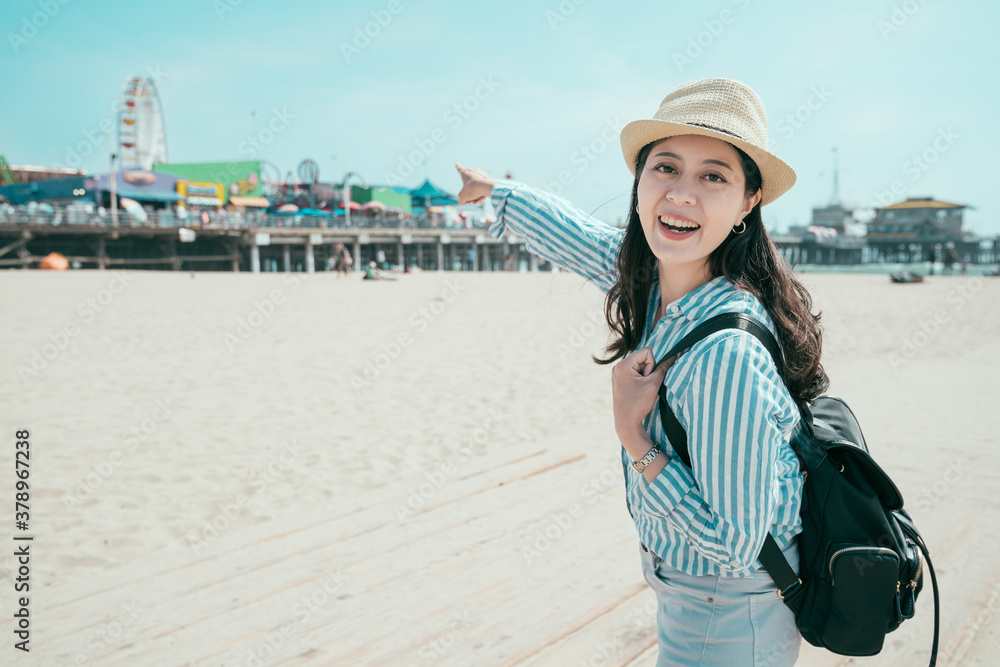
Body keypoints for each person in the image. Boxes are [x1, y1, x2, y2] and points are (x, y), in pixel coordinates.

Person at [455, 78, 828, 666]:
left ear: (748, 203)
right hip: (692, 596)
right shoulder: (660, 285)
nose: (681, 194)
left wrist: (635, 437)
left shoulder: (725, 354)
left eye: (713, 176)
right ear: (640, 183)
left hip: (730, 610)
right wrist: (497, 193)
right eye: (665, 168)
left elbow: (735, 545)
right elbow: (581, 238)